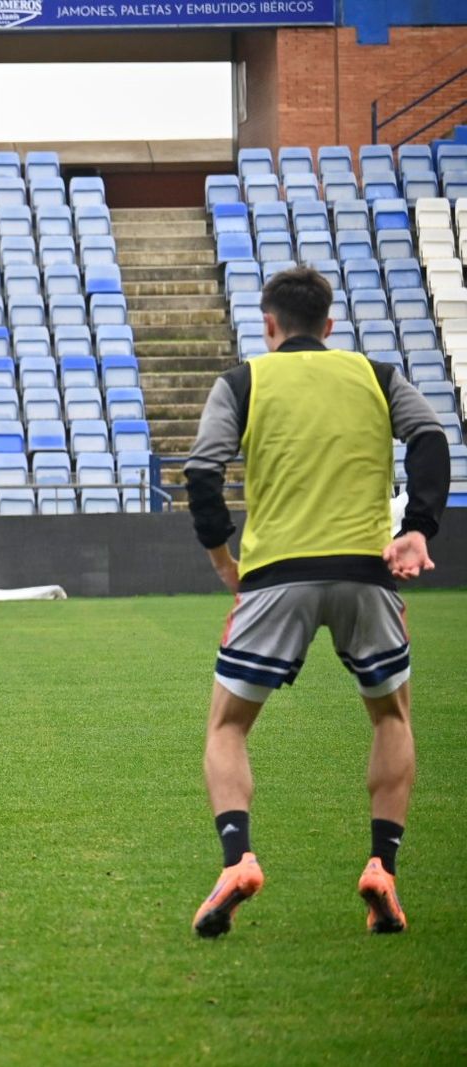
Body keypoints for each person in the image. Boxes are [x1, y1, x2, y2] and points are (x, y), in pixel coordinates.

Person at [184, 266, 448, 937]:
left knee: (227, 724)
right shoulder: (377, 375)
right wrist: (417, 526)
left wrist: (225, 561)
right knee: (392, 716)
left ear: (269, 325)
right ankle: (381, 867)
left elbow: (201, 472)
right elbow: (431, 438)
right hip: (367, 568)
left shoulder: (244, 381)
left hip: (276, 575)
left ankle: (236, 857)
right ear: (329, 327)